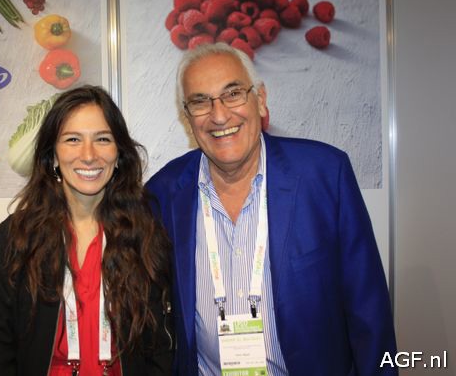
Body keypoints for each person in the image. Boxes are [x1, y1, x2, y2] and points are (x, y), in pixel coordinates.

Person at [146, 43, 397, 375]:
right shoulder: (163, 193)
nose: (219, 115)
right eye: (200, 101)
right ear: (187, 116)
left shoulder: (324, 175)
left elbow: (369, 311)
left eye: (233, 94)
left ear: (260, 99)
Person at [0, 86, 173, 375]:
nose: (89, 155)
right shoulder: (17, 237)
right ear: (53, 155)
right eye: (73, 139)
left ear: (119, 154)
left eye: (103, 139)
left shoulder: (145, 235)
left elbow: (161, 348)